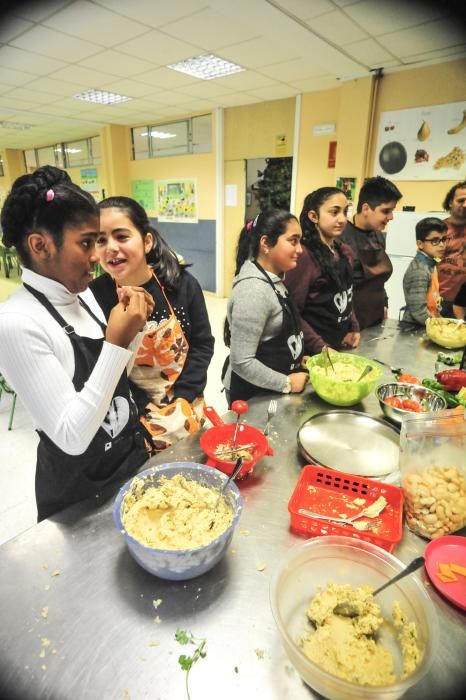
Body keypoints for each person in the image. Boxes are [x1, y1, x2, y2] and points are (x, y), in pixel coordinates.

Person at [0, 167, 153, 521]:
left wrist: (133, 332)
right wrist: (116, 342)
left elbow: (114, 380)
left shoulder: (79, 294)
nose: (97, 256)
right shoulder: (16, 323)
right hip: (80, 500)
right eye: (86, 243)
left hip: (125, 464)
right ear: (40, 245)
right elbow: (71, 436)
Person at [85, 196, 214, 452]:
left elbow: (202, 344)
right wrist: (144, 406)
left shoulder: (182, 285)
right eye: (101, 240)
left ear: (146, 241)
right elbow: (102, 365)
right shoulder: (95, 297)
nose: (111, 247)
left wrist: (183, 398)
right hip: (134, 410)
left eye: (122, 237)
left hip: (186, 400)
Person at [222, 210, 308, 404]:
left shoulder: (275, 279)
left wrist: (295, 357)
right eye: (293, 241)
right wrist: (287, 382)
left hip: (271, 388)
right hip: (252, 396)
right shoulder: (254, 290)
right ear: (265, 244)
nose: (300, 249)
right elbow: (242, 362)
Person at [284, 187, 360, 355]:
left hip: (337, 345)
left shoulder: (345, 251)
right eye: (334, 212)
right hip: (311, 350)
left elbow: (346, 295)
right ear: (313, 216)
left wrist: (353, 326)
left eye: (345, 211)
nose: (342, 219)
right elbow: (292, 311)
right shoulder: (303, 256)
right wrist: (320, 348)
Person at [340, 176, 402, 329]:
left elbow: (378, 279)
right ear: (366, 208)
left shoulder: (379, 236)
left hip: (375, 318)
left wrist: (384, 302)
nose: (391, 217)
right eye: (386, 211)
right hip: (349, 322)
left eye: (392, 211)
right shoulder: (341, 237)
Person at [401, 217, 447, 325]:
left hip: (429, 322)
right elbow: (419, 313)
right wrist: (441, 328)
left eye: (444, 239)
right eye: (435, 240)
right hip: (416, 328)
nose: (442, 245)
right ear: (420, 244)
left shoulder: (431, 263)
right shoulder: (419, 271)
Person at [437, 180, 466, 318]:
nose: (465, 204)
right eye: (461, 200)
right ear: (450, 202)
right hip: (439, 300)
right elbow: (425, 263)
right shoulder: (436, 230)